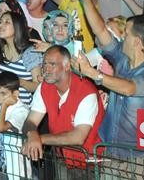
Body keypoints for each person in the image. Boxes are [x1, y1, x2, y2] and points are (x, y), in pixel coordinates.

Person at [73, 0, 144, 178]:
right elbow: (100, 31)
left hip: (140, 157)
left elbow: (131, 88)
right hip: (111, 150)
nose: (121, 36)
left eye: (126, 34)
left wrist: (93, 74)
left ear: (136, 41)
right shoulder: (121, 59)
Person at [22, 45, 104, 175]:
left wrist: (39, 139)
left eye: (52, 64)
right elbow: (31, 121)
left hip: (90, 164)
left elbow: (78, 137)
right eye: (44, 64)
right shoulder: (44, 87)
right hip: (63, 159)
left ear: (67, 66)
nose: (46, 69)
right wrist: (32, 134)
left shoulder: (86, 92)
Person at [0, 72, 31, 180]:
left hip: (17, 170)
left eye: (3, 93)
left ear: (15, 94)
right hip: (0, 167)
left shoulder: (21, 110)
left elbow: (0, 128)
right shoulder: (0, 107)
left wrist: (4, 105)